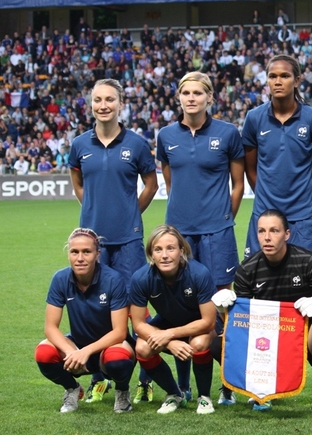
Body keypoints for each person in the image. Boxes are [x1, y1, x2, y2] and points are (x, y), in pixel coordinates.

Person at [68, 78, 158, 404]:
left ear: (121, 103)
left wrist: (130, 213)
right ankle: (98, 378)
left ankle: (145, 380)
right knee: (97, 312)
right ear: (90, 104)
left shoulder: (136, 143)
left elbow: (151, 184)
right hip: (93, 242)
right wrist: (93, 211)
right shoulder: (79, 144)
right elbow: (78, 183)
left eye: (109, 99)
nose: (103, 105)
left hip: (129, 241)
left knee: (137, 312)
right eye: (97, 100)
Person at [156, 71, 244, 404]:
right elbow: (170, 179)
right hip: (179, 232)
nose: (191, 98)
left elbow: (238, 185)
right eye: (186, 93)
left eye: (198, 93)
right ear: (178, 98)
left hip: (217, 233)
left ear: (210, 97)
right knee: (183, 307)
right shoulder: (166, 135)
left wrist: (223, 219)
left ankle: (227, 385)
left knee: (221, 309)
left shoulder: (227, 133)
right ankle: (183, 386)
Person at [211, 209, 312, 418]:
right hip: (266, 336)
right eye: (262, 231)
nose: (267, 237)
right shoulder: (247, 269)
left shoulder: (308, 261)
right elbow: (240, 321)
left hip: (304, 333)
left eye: (274, 231)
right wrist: (223, 310)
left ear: (287, 234)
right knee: (219, 343)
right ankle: (255, 391)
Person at [34, 228, 135, 414]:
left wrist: (86, 351)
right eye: (74, 252)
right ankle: (72, 389)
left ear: (97, 254)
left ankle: (122, 390)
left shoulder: (114, 279)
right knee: (44, 353)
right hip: (77, 345)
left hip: (111, 346)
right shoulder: (60, 279)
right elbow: (50, 327)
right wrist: (71, 351)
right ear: (68, 254)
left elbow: (120, 332)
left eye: (86, 252)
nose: (80, 258)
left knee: (117, 360)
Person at [241, 55, 312, 260]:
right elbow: (250, 169)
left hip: (305, 217)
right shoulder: (254, 119)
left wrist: (311, 201)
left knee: (311, 285)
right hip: (265, 215)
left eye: (285, 76)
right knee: (261, 285)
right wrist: (265, 196)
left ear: (297, 80)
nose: (278, 81)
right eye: (272, 76)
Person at [129, 225, 217, 415]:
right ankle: (174, 394)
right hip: (168, 321)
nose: (165, 255)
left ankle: (204, 397)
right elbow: (138, 324)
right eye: (158, 249)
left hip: (198, 323)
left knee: (199, 343)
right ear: (151, 254)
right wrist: (172, 342)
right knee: (142, 348)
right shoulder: (141, 278)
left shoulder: (199, 273)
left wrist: (169, 335)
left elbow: (208, 321)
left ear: (181, 251)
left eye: (171, 248)